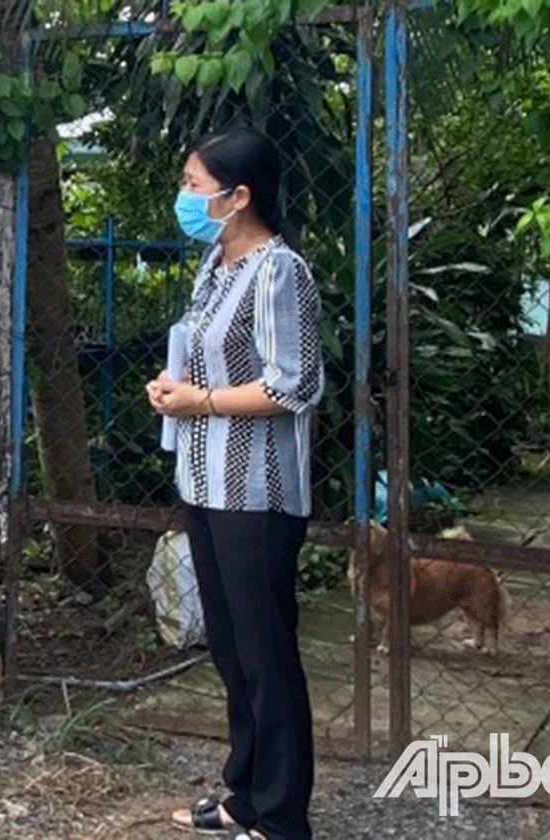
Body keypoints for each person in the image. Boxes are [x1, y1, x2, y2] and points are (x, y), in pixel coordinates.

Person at [146, 127, 323, 840]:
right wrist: (175, 389)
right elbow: (208, 358)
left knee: (265, 653)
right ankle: (245, 795)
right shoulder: (215, 265)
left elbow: (294, 384)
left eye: (194, 185)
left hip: (257, 493)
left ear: (239, 195)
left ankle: (281, 817)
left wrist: (205, 402)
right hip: (205, 482)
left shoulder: (281, 272)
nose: (185, 197)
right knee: (229, 648)